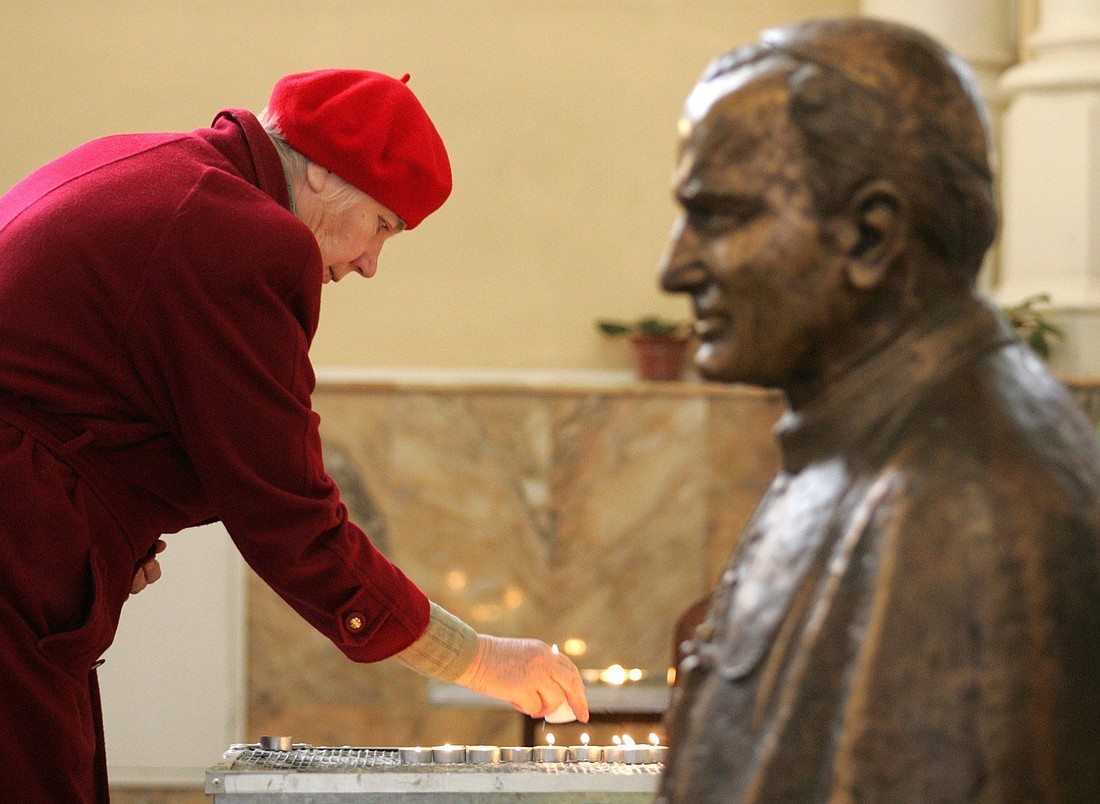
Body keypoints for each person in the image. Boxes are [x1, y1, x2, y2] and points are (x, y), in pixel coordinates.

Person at [0, 69, 588, 802]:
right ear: (321, 170)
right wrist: (480, 660)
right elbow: (289, 511)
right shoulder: (243, 239)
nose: (371, 264)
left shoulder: (159, 164)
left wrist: (107, 525)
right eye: (382, 225)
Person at [656, 17, 1100, 803]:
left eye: (718, 216)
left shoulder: (965, 505)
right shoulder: (863, 443)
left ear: (871, 235)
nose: (675, 267)